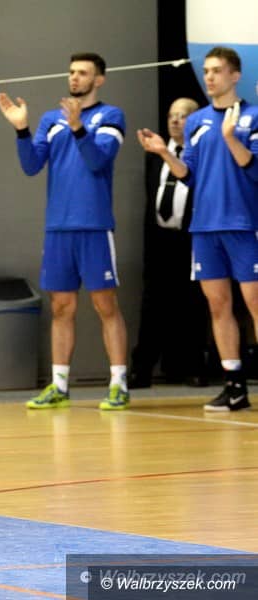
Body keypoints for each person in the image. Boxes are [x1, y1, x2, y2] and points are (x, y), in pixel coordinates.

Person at [0, 52, 130, 411]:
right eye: (71, 72)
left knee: (105, 305)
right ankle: (58, 385)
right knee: (61, 307)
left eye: (83, 73)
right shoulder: (50, 119)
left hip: (94, 225)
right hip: (58, 227)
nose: (74, 78)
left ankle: (118, 384)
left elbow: (98, 160)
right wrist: (21, 129)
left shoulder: (111, 116)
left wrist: (78, 128)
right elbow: (31, 165)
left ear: (98, 80)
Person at [138, 46, 258, 412]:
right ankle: (234, 386)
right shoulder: (197, 121)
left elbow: (253, 167)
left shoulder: (252, 117)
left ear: (235, 76)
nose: (209, 77)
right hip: (205, 227)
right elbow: (188, 174)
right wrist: (164, 153)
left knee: (254, 303)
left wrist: (230, 137)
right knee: (218, 305)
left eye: (216, 70)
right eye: (206, 71)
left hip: (244, 223)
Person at [129, 98, 210, 389]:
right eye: (171, 115)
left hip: (190, 237)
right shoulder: (154, 155)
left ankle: (192, 366)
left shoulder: (202, 154)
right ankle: (142, 369)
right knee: (153, 303)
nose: (175, 121)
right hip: (160, 239)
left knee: (193, 303)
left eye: (183, 115)